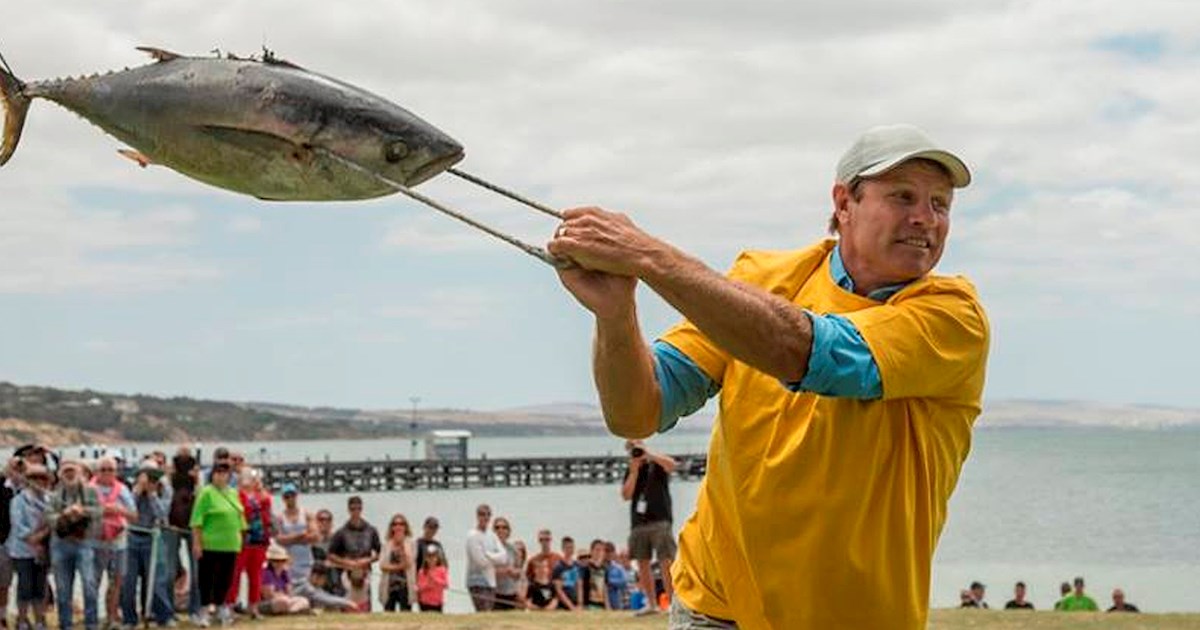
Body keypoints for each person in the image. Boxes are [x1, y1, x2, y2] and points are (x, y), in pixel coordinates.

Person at [548, 123, 987, 629]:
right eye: (903, 196)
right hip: (713, 608)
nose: (924, 219)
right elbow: (638, 409)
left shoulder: (953, 317)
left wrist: (649, 257)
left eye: (940, 204)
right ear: (844, 203)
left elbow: (807, 351)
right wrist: (616, 315)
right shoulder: (762, 278)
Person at [620, 439, 676, 615]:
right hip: (639, 523)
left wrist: (649, 455)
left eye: (636, 447)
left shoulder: (656, 463)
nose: (635, 451)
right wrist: (634, 471)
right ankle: (651, 603)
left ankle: (673, 602)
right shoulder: (631, 470)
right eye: (631, 449)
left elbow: (672, 465)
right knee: (642, 562)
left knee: (666, 561)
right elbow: (626, 495)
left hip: (660, 520)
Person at [189, 462, 246, 627]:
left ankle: (222, 607)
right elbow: (196, 521)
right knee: (206, 579)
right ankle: (205, 611)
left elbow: (240, 517)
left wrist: (241, 537)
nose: (221, 476)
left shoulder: (233, 493)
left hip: (230, 543)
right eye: (218, 472)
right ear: (212, 475)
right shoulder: (206, 493)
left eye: (224, 473)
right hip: (210, 542)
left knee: (225, 578)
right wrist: (197, 543)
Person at [45, 460, 100, 630]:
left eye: (72, 471)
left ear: (79, 473)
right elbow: (49, 518)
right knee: (63, 588)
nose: (69, 474)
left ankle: (91, 623)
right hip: (60, 544)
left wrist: (82, 511)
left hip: (84, 543)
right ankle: (65, 624)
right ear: (61, 475)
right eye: (66, 471)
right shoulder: (54, 495)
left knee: (89, 584)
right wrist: (65, 515)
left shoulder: (90, 492)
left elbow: (99, 511)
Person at [120, 461, 173, 628]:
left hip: (153, 537)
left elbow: (162, 514)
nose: (149, 480)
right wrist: (136, 492)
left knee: (157, 580)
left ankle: (163, 616)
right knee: (128, 581)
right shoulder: (131, 490)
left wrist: (152, 494)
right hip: (132, 536)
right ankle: (129, 618)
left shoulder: (165, 490)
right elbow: (128, 513)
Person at [90, 457, 136, 630]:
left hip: (118, 542)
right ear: (97, 471)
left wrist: (118, 510)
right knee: (92, 582)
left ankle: (111, 618)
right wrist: (100, 511)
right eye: (103, 469)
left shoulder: (123, 490)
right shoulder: (89, 489)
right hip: (95, 542)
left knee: (116, 582)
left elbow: (134, 514)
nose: (107, 473)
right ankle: (92, 618)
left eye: (111, 469)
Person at [7, 464, 52, 630]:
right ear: (28, 480)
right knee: (24, 586)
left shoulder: (49, 500)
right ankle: (22, 620)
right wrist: (35, 538)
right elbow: (19, 526)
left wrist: (43, 538)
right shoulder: (18, 500)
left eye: (42, 478)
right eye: (35, 478)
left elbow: (52, 523)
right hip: (22, 551)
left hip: (43, 550)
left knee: (40, 587)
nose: (39, 481)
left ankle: (40, 619)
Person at [224, 468, 271, 618]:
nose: (250, 480)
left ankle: (254, 607)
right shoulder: (236, 494)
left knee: (256, 575)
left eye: (252, 477)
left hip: (259, 539)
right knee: (234, 575)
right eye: (248, 477)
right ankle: (229, 606)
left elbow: (267, 504)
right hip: (242, 539)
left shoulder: (261, 495)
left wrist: (260, 487)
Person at [163, 448, 202, 625]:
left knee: (197, 571)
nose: (183, 465)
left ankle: (195, 610)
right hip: (172, 527)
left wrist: (197, 481)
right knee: (170, 571)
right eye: (180, 460)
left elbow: (201, 501)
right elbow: (163, 502)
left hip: (193, 526)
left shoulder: (196, 482)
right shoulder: (168, 481)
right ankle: (168, 611)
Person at [326, 496, 381, 612]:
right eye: (353, 509)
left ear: (361, 509)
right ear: (348, 510)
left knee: (365, 608)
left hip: (365, 575)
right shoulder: (341, 532)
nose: (355, 511)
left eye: (358, 508)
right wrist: (347, 562)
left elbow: (379, 553)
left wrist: (367, 560)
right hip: (347, 577)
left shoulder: (371, 530)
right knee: (348, 608)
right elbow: (330, 554)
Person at [463, 503, 507, 612]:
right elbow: (480, 561)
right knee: (483, 611)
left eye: (488, 515)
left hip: (491, 581)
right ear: (477, 516)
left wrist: (488, 555)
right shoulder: (472, 536)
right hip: (476, 581)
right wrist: (495, 558)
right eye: (482, 514)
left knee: (489, 612)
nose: (485, 517)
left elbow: (504, 557)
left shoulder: (492, 535)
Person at [272, 483, 315, 583]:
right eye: (287, 496)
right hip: (288, 564)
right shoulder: (279, 518)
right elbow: (279, 540)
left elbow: (315, 536)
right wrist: (301, 535)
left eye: (292, 495)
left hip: (307, 563)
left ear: (296, 496)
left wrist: (290, 539)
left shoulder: (306, 514)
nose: (290, 498)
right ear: (283, 499)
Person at [256, 543, 310, 616]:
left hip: (284, 599)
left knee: (303, 600)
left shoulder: (284, 574)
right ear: (270, 561)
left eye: (282, 560)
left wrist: (283, 595)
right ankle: (295, 610)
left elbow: (290, 592)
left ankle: (291, 611)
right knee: (283, 602)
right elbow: (268, 596)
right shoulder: (266, 573)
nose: (279, 563)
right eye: (276, 560)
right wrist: (282, 595)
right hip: (266, 602)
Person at [378, 513, 415, 612]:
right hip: (389, 585)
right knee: (388, 614)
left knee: (406, 614)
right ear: (391, 527)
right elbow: (382, 565)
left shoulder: (411, 543)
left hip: (405, 585)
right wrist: (399, 567)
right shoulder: (386, 545)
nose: (398, 526)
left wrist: (402, 546)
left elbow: (409, 563)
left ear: (405, 527)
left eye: (401, 524)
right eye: (395, 524)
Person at [291, 562, 357, 612]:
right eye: (324, 579)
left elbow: (325, 595)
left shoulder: (311, 586)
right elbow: (325, 599)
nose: (324, 582)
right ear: (316, 576)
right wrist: (347, 603)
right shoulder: (306, 587)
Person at [1, 458, 19, 630]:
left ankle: (4, 616)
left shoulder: (29, 487)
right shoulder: (3, 485)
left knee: (7, 584)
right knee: (1, 583)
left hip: (20, 543)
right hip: (3, 541)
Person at [309, 509, 344, 597]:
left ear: (332, 523)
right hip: (315, 577)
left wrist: (333, 564)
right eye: (321, 519)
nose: (324, 522)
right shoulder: (310, 542)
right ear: (316, 522)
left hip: (335, 576)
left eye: (328, 520)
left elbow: (346, 562)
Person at [491, 517, 522, 611]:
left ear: (508, 531)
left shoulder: (513, 549)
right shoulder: (489, 548)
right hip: (494, 594)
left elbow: (519, 571)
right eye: (497, 527)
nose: (501, 530)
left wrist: (515, 572)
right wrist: (506, 571)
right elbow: (486, 572)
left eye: (504, 527)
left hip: (511, 594)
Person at [576, 539, 611, 610]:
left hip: (601, 604)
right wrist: (580, 604)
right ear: (591, 551)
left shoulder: (604, 569)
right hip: (588, 604)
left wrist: (608, 606)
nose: (599, 553)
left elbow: (605, 588)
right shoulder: (585, 567)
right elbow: (580, 585)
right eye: (597, 550)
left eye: (601, 550)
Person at [415, 545, 448, 613]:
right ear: (426, 558)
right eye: (429, 557)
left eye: (434, 556)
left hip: (437, 602)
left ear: (437, 558)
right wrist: (428, 585)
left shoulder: (442, 570)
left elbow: (445, 584)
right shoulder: (422, 571)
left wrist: (435, 579)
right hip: (425, 602)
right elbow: (419, 587)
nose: (432, 559)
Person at [551, 536, 579, 611]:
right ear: (563, 549)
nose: (570, 550)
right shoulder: (558, 567)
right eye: (568, 547)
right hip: (563, 605)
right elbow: (558, 590)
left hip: (575, 602)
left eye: (572, 547)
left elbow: (578, 585)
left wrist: (580, 603)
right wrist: (571, 606)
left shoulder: (576, 565)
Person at [605, 542, 630, 610]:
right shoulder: (600, 567)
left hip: (616, 599)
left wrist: (609, 581)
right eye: (607, 551)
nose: (609, 554)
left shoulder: (618, 567)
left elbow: (624, 582)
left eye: (611, 551)